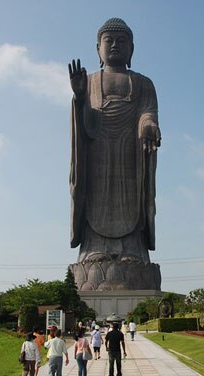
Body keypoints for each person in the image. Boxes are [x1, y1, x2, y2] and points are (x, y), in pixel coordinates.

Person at [68, 17, 161, 265]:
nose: (115, 46)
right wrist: (79, 98)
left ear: (132, 48)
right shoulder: (88, 82)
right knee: (94, 196)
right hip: (97, 152)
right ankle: (93, 248)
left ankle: (133, 249)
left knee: (133, 197)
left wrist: (148, 124)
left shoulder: (144, 83)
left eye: (122, 41)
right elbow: (85, 123)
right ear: (98, 48)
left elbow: (148, 111)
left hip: (130, 152)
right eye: (108, 41)